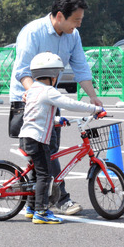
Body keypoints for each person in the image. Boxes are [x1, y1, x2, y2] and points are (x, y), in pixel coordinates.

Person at [10, 0, 103, 216]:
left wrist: (93, 96)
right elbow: (22, 71)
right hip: (26, 98)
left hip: (49, 98)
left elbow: (81, 67)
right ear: (60, 16)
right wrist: (36, 94)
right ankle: (59, 199)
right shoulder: (33, 32)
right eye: (76, 20)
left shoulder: (73, 36)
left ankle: (34, 202)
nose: (78, 25)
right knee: (44, 152)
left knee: (46, 154)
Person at [19, 52, 103, 224]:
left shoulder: (33, 90)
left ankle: (31, 207)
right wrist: (94, 109)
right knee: (45, 175)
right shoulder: (48, 91)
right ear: (53, 75)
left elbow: (38, 114)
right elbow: (70, 103)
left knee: (36, 173)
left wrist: (57, 119)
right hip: (37, 139)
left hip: (26, 136)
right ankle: (41, 212)